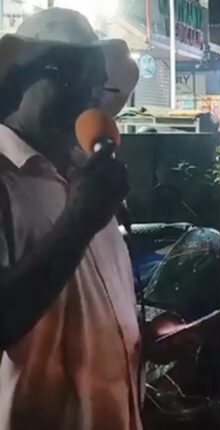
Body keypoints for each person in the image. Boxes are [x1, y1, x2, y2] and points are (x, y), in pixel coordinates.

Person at [0, 8, 142, 430]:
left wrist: (138, 343)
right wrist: (78, 222)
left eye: (97, 83)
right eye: (69, 76)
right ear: (21, 80)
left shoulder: (88, 174)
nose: (89, 96)